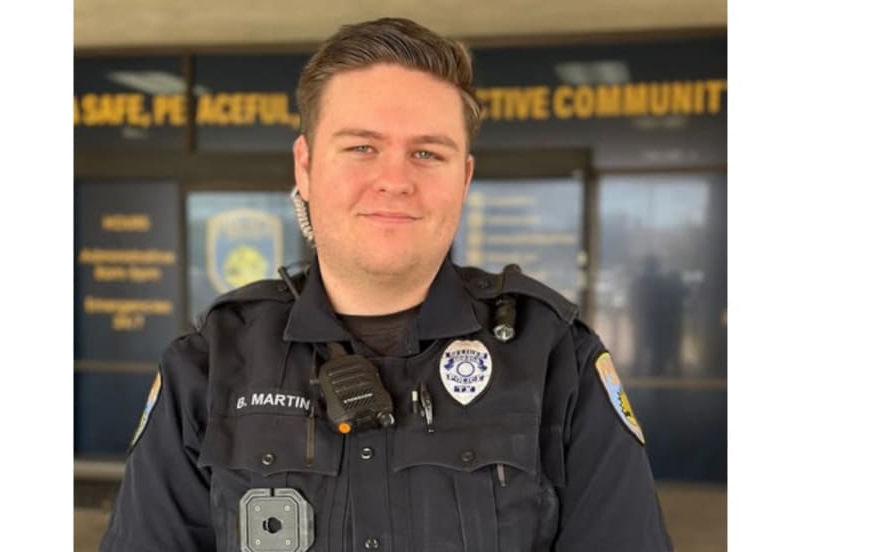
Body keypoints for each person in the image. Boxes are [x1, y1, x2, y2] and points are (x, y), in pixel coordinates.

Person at [101, 17, 673, 552]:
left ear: (464, 177)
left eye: (427, 152)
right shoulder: (210, 364)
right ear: (305, 166)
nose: (394, 180)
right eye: (361, 148)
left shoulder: (554, 360)